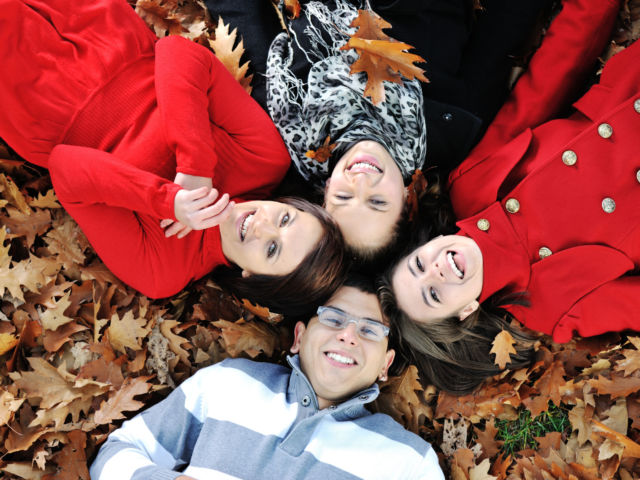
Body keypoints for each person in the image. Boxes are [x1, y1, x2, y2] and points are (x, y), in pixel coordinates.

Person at [0, 0, 346, 318]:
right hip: (107, 33)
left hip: (39, 100)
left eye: (272, 249)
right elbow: (175, 54)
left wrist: (167, 202)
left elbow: (65, 168)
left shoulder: (161, 272)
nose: (263, 224)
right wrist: (195, 168)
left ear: (252, 278)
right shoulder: (264, 161)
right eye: (285, 219)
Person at [382, 0, 640, 392]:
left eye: (418, 265)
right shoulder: (554, 307)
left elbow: (554, 74)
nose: (434, 271)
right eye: (433, 294)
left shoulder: (473, 186)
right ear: (466, 312)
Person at [206, 0, 553, 267]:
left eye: (343, 199)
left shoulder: (291, 123)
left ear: (325, 192)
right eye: (377, 202)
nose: (360, 183)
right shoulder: (453, 124)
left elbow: (243, 16)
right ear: (408, 199)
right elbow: (502, 30)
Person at [89, 277, 445, 479]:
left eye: (369, 331)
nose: (348, 336)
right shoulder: (229, 384)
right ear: (300, 337)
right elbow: (116, 455)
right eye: (334, 319)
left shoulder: (409, 461)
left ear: (385, 365)